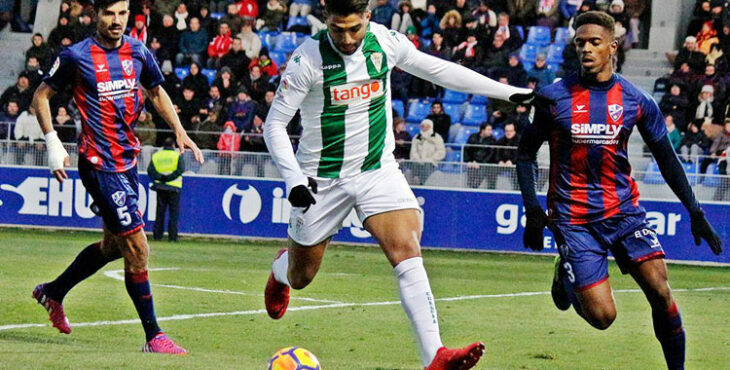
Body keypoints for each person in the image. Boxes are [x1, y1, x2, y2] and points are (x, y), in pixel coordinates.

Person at [262, 1, 540, 367]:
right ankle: (282, 270)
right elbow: (274, 125)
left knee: (407, 248)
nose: (346, 39)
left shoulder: (386, 42)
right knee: (302, 277)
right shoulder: (307, 59)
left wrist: (507, 92)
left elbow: (437, 69)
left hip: (377, 170)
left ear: (367, 18)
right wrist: (295, 180)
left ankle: (434, 356)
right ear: (326, 21)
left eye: (354, 29)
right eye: (336, 30)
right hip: (321, 179)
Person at [516, 12, 723, 370]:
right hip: (573, 218)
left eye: (594, 42)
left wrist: (696, 211)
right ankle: (565, 276)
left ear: (613, 47)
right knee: (602, 317)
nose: (586, 49)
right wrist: (533, 210)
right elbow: (524, 154)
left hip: (623, 211)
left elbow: (667, 159)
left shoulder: (637, 100)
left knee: (660, 288)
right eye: (580, 42)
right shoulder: (553, 97)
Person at [30, 0, 203, 355]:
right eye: (110, 13)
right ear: (96, 14)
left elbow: (156, 91)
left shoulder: (138, 52)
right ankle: (154, 336)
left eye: (123, 13)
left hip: (127, 162)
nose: (116, 20)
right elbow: (41, 97)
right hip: (97, 163)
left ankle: (52, 292)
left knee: (112, 246)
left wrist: (179, 130)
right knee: (138, 247)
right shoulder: (77, 56)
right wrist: (52, 145)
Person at [148, 137, 184, 242]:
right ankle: (172, 237)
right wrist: (169, 178)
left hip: (160, 187)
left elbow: (150, 170)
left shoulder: (156, 155)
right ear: (173, 145)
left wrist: (161, 178)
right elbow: (180, 170)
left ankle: (157, 235)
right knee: (173, 213)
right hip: (174, 188)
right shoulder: (177, 155)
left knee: (160, 212)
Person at [409, 119, 446, 185]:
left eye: (427, 126)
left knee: (427, 166)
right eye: (423, 126)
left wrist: (430, 159)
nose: (425, 128)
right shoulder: (416, 137)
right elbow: (413, 151)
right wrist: (418, 159)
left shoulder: (437, 137)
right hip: (418, 161)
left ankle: (422, 184)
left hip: (431, 162)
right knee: (412, 168)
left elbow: (441, 151)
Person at [464, 122, 498, 188]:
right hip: (472, 163)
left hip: (484, 164)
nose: (490, 132)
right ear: (482, 130)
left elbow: (491, 154)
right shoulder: (473, 137)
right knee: (470, 182)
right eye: (488, 130)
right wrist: (469, 161)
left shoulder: (492, 140)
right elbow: (467, 150)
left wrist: (481, 163)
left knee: (477, 181)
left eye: (491, 130)